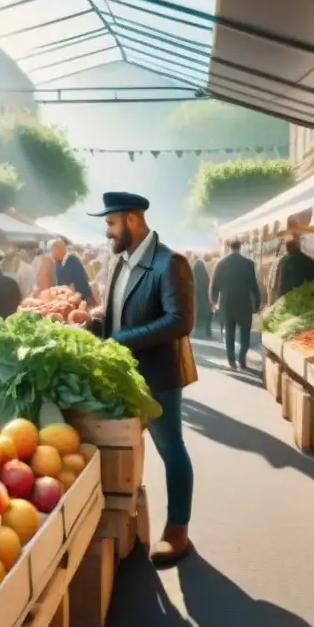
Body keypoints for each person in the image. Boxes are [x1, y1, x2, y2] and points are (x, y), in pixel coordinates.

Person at [86, 191, 197, 566]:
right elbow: (119, 314)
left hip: (158, 376)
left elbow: (180, 321)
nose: (107, 233)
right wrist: (94, 325)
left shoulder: (170, 263)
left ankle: (178, 529)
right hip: (122, 374)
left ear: (132, 220)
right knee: (125, 444)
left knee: (171, 448)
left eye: (111, 223)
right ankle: (132, 515)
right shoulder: (120, 262)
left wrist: (122, 338)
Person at [211, 240, 261, 371]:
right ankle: (242, 358)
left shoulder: (221, 263)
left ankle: (231, 359)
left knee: (229, 333)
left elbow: (214, 284)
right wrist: (257, 304)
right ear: (241, 247)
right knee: (245, 333)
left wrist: (213, 300)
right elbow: (254, 286)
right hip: (244, 304)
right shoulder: (248, 264)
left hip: (226, 304)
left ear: (229, 247)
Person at [50, 239, 95, 306]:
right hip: (74, 299)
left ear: (62, 250)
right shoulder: (58, 263)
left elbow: (67, 286)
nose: (52, 254)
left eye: (53, 251)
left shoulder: (71, 260)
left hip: (82, 300)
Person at [192, 256, 212, 338]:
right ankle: (207, 331)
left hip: (195, 300)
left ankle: (194, 331)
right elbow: (209, 288)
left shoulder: (192, 275)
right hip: (205, 300)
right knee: (207, 316)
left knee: (195, 316)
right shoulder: (206, 276)